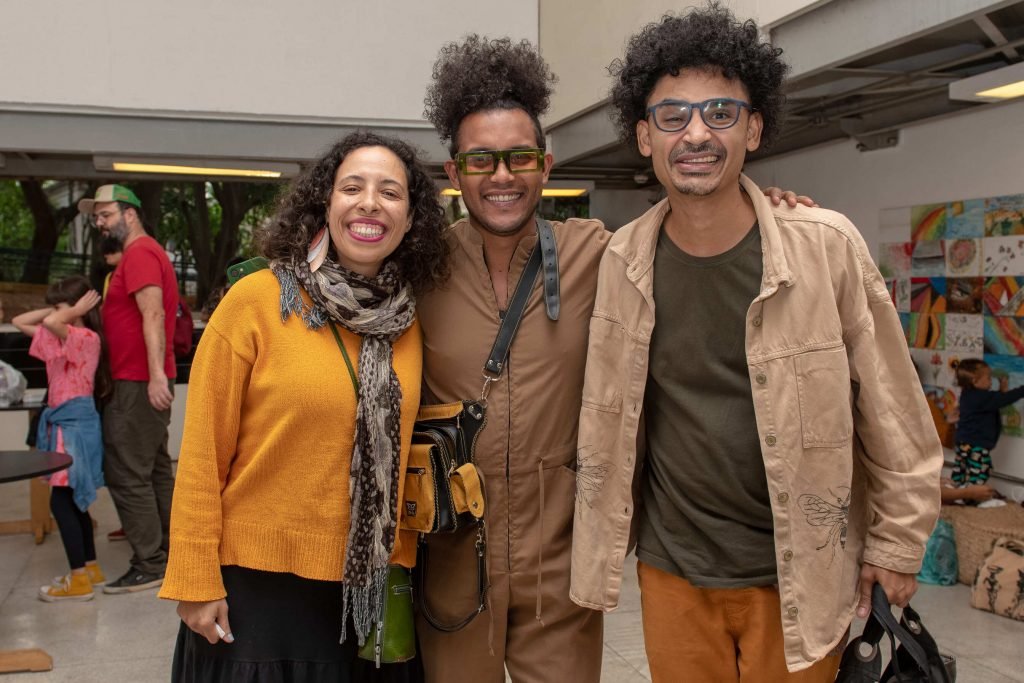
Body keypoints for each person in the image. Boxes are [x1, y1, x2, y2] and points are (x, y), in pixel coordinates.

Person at [417, 34, 812, 683]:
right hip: (452, 559)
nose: (502, 176)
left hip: (561, 567)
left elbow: (697, 224)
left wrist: (770, 209)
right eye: (481, 160)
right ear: (453, 172)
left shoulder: (604, 254)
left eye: (519, 157)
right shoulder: (420, 267)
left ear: (546, 165)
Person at [570, 5, 943, 681]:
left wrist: (897, 543)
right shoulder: (620, 260)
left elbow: (894, 408)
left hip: (801, 571)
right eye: (672, 115)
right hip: (674, 571)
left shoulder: (826, 247)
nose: (697, 133)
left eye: (720, 111)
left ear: (755, 126)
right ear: (643, 137)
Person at [158, 131, 449, 682]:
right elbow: (200, 455)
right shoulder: (259, 301)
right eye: (352, 188)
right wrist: (194, 580)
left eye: (391, 192)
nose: (369, 202)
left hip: (370, 591)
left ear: (411, 220)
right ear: (326, 205)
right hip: (258, 590)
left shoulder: (408, 321)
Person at [78, 184, 180, 593]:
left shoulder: (139, 253)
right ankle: (172, 551)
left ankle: (150, 561)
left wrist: (155, 375)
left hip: (137, 381)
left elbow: (153, 313)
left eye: (105, 215)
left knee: (126, 474)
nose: (99, 224)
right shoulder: (142, 253)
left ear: (130, 214)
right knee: (154, 471)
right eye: (97, 217)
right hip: (138, 378)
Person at [12, 276, 111, 601]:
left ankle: (79, 579)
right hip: (64, 424)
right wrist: (63, 307)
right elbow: (18, 321)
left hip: (74, 426)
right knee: (69, 499)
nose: (53, 313)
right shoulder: (60, 336)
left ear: (78, 309)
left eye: (60, 304)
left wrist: (68, 311)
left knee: (62, 499)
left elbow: (53, 321)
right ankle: (89, 568)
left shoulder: (85, 337)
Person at [952, 358, 1024, 488]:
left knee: (962, 469)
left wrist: (1001, 392)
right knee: (980, 471)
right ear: (975, 381)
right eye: (989, 378)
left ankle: (957, 491)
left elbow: (992, 401)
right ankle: (971, 497)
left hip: (963, 442)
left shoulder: (969, 395)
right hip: (976, 445)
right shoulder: (981, 398)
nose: (991, 381)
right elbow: (1003, 399)